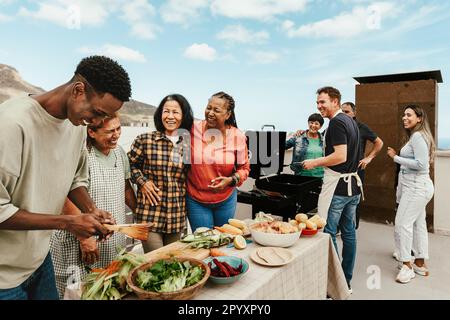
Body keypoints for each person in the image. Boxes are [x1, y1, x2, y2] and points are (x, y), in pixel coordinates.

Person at [0, 55, 131, 300]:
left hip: (39, 261)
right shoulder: (10, 124)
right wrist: (68, 222)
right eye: (97, 112)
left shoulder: (76, 124)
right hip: (4, 277)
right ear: (78, 90)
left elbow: (75, 177)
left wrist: (90, 209)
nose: (96, 123)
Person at [50, 115, 137, 298]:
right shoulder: (78, 153)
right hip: (78, 238)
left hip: (111, 239)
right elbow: (65, 195)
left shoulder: (119, 152)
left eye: (118, 129)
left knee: (110, 288)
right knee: (76, 292)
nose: (116, 135)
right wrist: (85, 238)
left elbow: (126, 187)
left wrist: (139, 213)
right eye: (110, 131)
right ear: (91, 132)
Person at [302, 87, 362, 292]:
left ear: (335, 102)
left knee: (327, 232)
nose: (319, 106)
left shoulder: (336, 122)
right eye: (318, 102)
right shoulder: (350, 121)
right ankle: (345, 281)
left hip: (337, 187)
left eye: (323, 102)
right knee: (348, 234)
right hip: (352, 188)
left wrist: (314, 163)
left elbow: (340, 156)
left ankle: (334, 284)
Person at [128, 94, 194, 253]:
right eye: (166, 111)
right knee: (155, 263)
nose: (170, 116)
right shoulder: (145, 140)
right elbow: (129, 164)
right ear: (160, 114)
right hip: (150, 214)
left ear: (183, 115)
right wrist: (142, 182)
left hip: (176, 216)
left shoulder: (188, 145)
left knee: (172, 262)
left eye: (176, 112)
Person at [186, 91, 250, 231]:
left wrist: (231, 180)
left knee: (223, 242)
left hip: (226, 200)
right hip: (196, 200)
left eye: (216, 110)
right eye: (208, 108)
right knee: (203, 242)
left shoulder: (237, 136)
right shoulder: (192, 129)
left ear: (227, 115)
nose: (210, 113)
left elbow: (244, 168)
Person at [387, 105, 435, 284]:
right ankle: (420, 263)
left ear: (419, 118)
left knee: (402, 224)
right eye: (404, 114)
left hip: (416, 187)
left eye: (409, 115)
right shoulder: (418, 136)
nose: (404, 117)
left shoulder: (417, 136)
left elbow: (421, 165)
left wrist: (395, 157)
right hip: (418, 187)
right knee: (418, 223)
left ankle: (407, 265)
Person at [341, 102, 384, 229]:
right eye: (342, 111)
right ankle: (339, 226)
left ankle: (353, 227)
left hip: (356, 171)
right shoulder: (338, 126)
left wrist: (369, 158)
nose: (344, 114)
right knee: (339, 199)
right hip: (340, 170)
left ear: (354, 113)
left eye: (347, 112)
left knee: (355, 199)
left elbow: (379, 143)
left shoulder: (361, 127)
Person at [285, 113, 324, 178]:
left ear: (320, 126)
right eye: (311, 122)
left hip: (321, 176)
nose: (313, 125)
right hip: (302, 176)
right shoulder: (298, 137)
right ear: (308, 123)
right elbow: (283, 146)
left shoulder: (324, 140)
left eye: (316, 123)